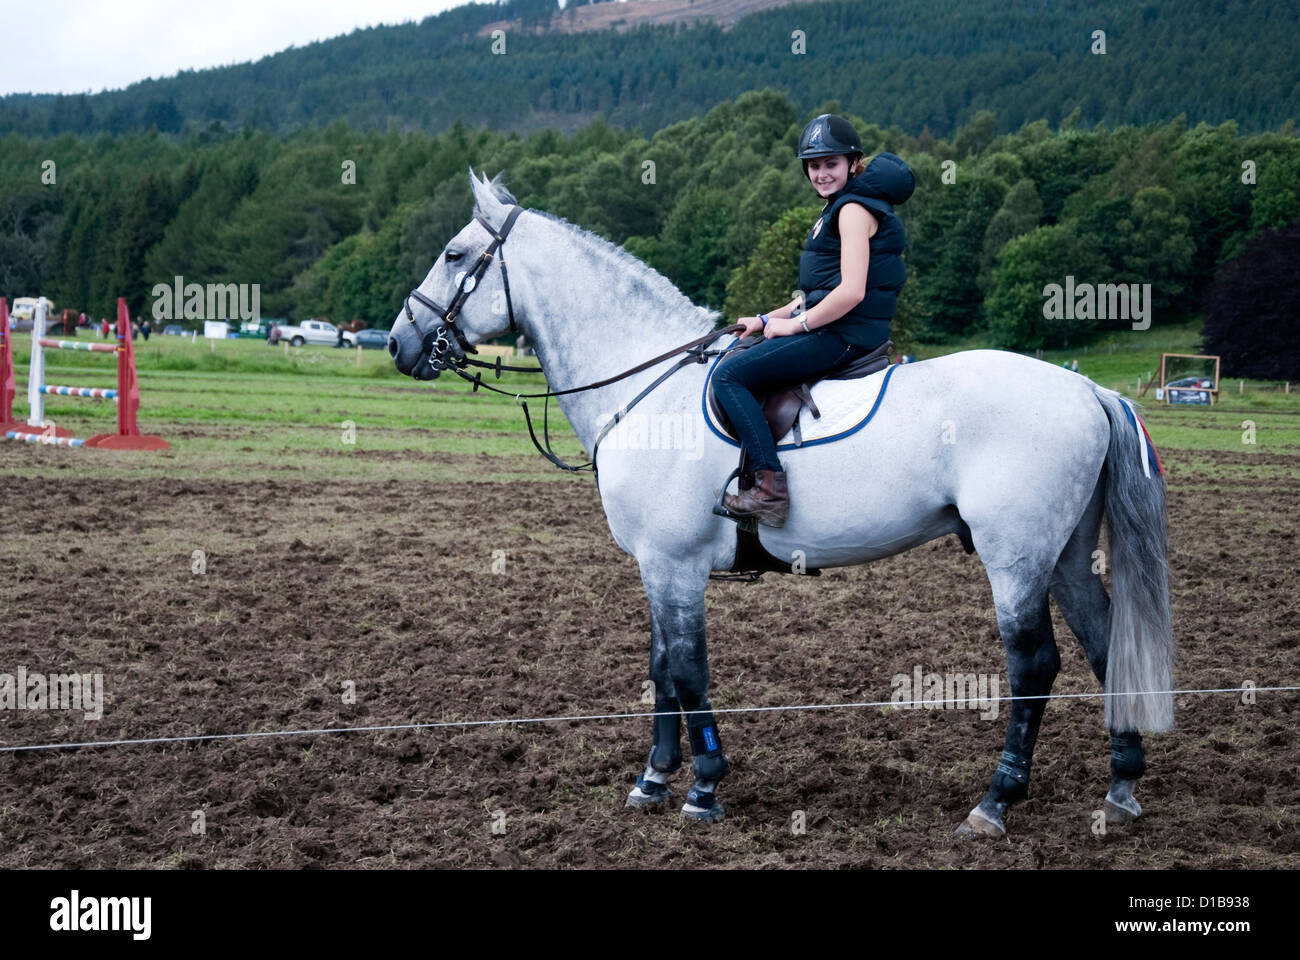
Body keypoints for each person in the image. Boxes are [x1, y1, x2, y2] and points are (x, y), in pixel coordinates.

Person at [714, 114, 915, 527]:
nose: (821, 173)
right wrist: (766, 318)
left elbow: (851, 292)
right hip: (835, 325)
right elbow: (816, 295)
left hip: (843, 334)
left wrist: (796, 326)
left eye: (831, 164)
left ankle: (769, 488)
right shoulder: (841, 207)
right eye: (814, 165)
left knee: (729, 376)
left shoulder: (853, 211)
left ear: (853, 163)